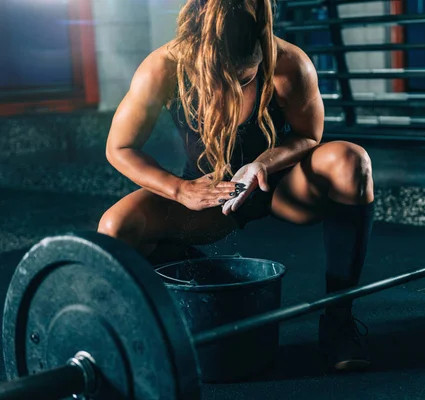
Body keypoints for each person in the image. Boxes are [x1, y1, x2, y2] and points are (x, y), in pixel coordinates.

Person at [97, 0, 375, 372]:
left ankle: (338, 321)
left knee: (350, 160)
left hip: (280, 189)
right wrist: (180, 190)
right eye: (226, 79)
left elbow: (310, 135)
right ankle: (182, 292)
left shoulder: (290, 63)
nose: (237, 87)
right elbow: (119, 147)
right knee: (116, 227)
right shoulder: (164, 67)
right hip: (211, 197)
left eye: (246, 78)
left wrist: (261, 163)